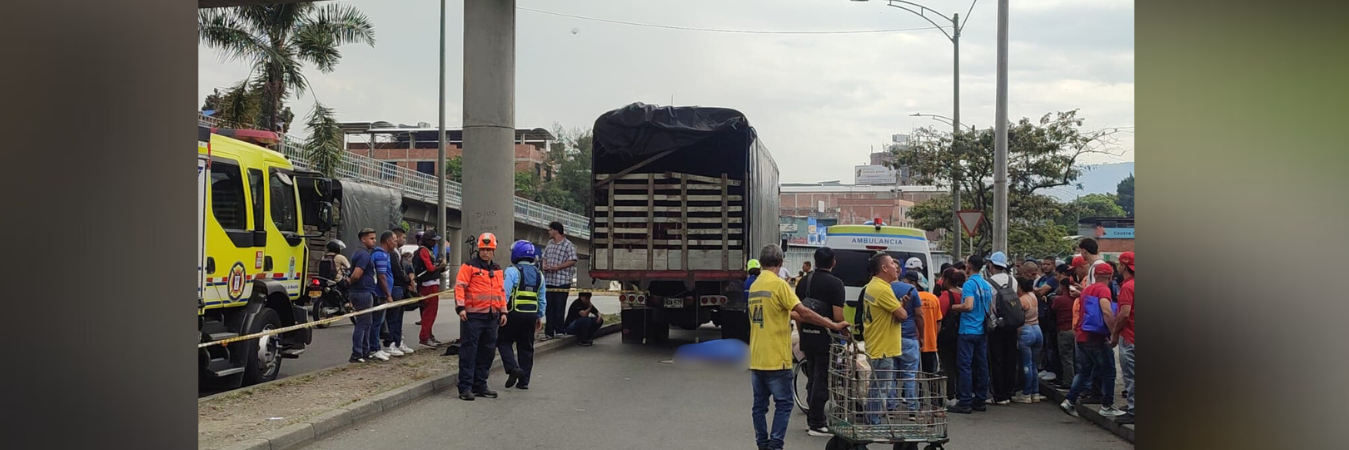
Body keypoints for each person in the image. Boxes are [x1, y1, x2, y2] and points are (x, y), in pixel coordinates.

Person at [746, 244, 848, 450]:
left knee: (759, 407)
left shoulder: (755, 286)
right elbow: (804, 312)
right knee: (784, 404)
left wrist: (803, 330)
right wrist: (832, 324)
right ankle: (775, 446)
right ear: (780, 262)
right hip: (776, 358)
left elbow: (783, 312)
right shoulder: (779, 285)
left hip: (757, 357)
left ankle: (762, 444)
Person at [791, 247, 845, 436]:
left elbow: (799, 313)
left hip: (807, 335)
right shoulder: (836, 284)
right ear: (834, 262)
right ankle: (817, 423)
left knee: (813, 378)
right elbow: (838, 316)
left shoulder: (804, 282)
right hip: (826, 338)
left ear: (814, 261)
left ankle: (812, 419)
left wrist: (802, 336)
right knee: (822, 380)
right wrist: (845, 332)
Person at [1060, 262, 1123, 417]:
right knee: (1109, 371)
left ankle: (1070, 400)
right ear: (1110, 276)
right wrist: (1113, 333)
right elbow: (1106, 311)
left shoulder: (1087, 289)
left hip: (1082, 335)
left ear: (1094, 275)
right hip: (1096, 336)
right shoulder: (1104, 290)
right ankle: (1107, 405)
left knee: (1084, 371)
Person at [453, 232, 508, 401]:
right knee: (469, 352)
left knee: (487, 352)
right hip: (473, 317)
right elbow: (460, 287)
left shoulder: (497, 269)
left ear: (493, 251)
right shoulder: (469, 266)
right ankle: (465, 387)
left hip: (492, 317)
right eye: (483, 249)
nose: (485, 252)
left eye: (489, 250)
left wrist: (503, 311)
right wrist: (461, 308)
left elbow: (501, 291)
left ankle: (480, 385)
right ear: (478, 249)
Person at [859, 252, 906, 424]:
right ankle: (873, 421)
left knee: (877, 385)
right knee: (881, 387)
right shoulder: (883, 289)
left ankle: (871, 418)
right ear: (884, 268)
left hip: (876, 342)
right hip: (883, 346)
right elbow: (902, 315)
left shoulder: (872, 286)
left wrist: (900, 306)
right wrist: (902, 307)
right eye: (892, 264)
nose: (896, 268)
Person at [499, 240, 546, 390]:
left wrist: (502, 312)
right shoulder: (539, 274)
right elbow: (542, 299)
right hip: (531, 315)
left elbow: (505, 293)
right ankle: (524, 381)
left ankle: (513, 368)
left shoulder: (512, 271)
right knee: (526, 347)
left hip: (513, 314)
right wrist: (539, 316)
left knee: (503, 341)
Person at [948, 254, 991, 414]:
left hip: (967, 330)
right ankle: (980, 399)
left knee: (964, 365)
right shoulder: (986, 285)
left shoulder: (969, 284)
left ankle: (965, 401)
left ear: (969, 267)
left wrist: (954, 307)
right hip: (982, 329)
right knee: (982, 365)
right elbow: (990, 307)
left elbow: (968, 305)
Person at [983, 252, 1018, 406]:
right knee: (1010, 357)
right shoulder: (1013, 280)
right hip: (1011, 323)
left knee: (997, 359)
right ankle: (1009, 391)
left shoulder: (989, 283)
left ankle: (999, 394)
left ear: (991, 265)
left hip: (997, 325)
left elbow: (989, 305)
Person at [894, 270, 925, 414]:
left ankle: (891, 407)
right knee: (910, 375)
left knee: (891, 375)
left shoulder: (885, 288)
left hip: (891, 337)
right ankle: (912, 408)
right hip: (909, 337)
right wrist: (922, 336)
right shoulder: (912, 290)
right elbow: (919, 315)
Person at [346, 228, 379, 363]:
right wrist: (350, 281)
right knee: (362, 324)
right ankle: (357, 353)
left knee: (367, 323)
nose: (374, 241)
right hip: (362, 292)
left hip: (362, 291)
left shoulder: (360, 253)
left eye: (374, 238)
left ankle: (365, 351)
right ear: (363, 239)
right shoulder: (363, 255)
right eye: (371, 238)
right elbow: (356, 274)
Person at [540, 222, 578, 340]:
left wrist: (558, 267)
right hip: (549, 280)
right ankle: (549, 332)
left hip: (562, 281)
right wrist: (545, 265)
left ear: (556, 231)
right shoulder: (549, 243)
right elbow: (544, 257)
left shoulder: (568, 245)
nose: (549, 231)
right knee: (549, 307)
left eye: (550, 229)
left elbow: (572, 260)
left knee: (559, 307)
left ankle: (560, 331)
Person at [381, 228, 414, 356]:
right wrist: (408, 280)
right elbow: (397, 272)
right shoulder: (391, 254)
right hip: (395, 288)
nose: (399, 241)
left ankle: (398, 341)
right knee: (393, 318)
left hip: (400, 288)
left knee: (398, 317)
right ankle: (390, 343)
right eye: (401, 238)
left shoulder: (397, 253)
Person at [413, 232, 449, 348]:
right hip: (428, 284)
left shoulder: (427, 250)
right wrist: (441, 266)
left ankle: (429, 335)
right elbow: (430, 268)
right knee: (429, 312)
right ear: (427, 240)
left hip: (431, 283)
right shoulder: (423, 251)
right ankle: (424, 338)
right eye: (433, 240)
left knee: (430, 312)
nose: (435, 243)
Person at [935, 268, 965, 406]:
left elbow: (938, 317)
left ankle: (950, 395)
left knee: (948, 366)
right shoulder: (963, 293)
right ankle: (962, 393)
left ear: (946, 280)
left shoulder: (946, 296)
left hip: (946, 335)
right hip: (961, 332)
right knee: (960, 365)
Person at [1112, 251, 1136, 424]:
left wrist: (1114, 332)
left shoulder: (1128, 287)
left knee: (1130, 375)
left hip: (1129, 336)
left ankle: (1134, 410)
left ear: (1123, 266)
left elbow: (1124, 314)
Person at [1013, 276, 1045, 403]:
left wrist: (1017, 337)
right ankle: (1035, 392)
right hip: (1037, 329)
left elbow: (1018, 320)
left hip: (1026, 331)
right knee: (1034, 364)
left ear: (1020, 287)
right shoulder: (1033, 296)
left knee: (1026, 364)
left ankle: (1026, 393)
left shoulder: (1021, 300)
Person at [367, 231, 397, 361]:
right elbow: (381, 276)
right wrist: (388, 294)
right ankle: (374, 348)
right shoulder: (380, 255)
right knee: (376, 322)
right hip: (380, 294)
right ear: (388, 241)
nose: (395, 243)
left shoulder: (385, 254)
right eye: (394, 240)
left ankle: (375, 347)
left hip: (381, 293)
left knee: (378, 322)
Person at [1034, 257, 1060, 382]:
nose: (1045, 266)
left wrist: (1037, 291)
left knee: (1050, 344)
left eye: (1048, 264)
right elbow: (1037, 291)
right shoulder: (1042, 279)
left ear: (1053, 265)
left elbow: (1041, 291)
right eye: (1043, 264)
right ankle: (1045, 366)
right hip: (1040, 314)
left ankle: (1052, 369)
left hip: (1049, 316)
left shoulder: (1053, 279)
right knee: (1043, 344)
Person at [1050, 264, 1077, 390]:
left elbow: (1053, 309)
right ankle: (1077, 382)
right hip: (1075, 330)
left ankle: (1068, 382)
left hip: (1063, 330)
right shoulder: (1076, 299)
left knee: (1066, 358)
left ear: (1062, 286)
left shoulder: (1059, 300)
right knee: (1075, 358)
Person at [917, 273, 942, 374]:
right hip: (931, 343)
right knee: (930, 376)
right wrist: (934, 336)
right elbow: (939, 321)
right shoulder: (933, 298)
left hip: (915, 343)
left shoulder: (909, 298)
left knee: (913, 375)